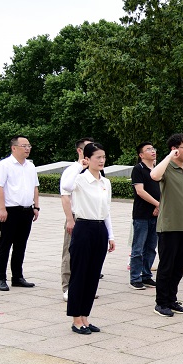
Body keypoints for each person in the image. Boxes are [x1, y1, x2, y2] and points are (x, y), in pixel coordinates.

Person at [61, 142, 115, 334]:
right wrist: (79, 166)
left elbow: (106, 211)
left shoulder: (105, 182)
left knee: (93, 275)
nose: (101, 161)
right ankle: (76, 319)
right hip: (83, 227)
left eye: (103, 157)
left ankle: (85, 316)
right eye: (97, 157)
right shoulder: (80, 179)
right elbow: (66, 187)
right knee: (80, 274)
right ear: (88, 159)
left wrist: (110, 235)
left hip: (100, 229)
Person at [150, 133, 183, 317]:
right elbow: (154, 175)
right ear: (175, 149)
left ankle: (171, 299)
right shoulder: (167, 167)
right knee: (167, 266)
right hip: (169, 226)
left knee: (179, 266)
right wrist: (169, 156)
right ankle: (161, 303)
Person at [0, 136, 40, 291]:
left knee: (21, 245)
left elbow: (35, 187)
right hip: (10, 210)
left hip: (27, 210)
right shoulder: (4, 165)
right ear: (14, 148)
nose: (27, 148)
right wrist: (2, 208)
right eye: (24, 146)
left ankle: (17, 277)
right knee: (5, 245)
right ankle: (1, 278)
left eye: (29, 146)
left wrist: (36, 206)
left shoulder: (30, 166)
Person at [59, 137, 94, 301]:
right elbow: (65, 196)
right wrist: (69, 219)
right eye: (88, 148)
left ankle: (85, 286)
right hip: (75, 217)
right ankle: (67, 287)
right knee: (70, 252)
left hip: (92, 216)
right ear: (80, 151)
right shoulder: (72, 170)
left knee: (88, 254)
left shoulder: (94, 170)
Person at [129, 142, 160, 291]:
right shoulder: (138, 169)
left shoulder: (157, 169)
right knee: (138, 248)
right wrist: (158, 204)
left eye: (153, 149)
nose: (152, 151)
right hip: (142, 214)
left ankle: (146, 275)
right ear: (141, 155)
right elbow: (140, 191)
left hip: (156, 214)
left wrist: (159, 206)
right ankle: (135, 277)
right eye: (148, 149)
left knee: (151, 247)